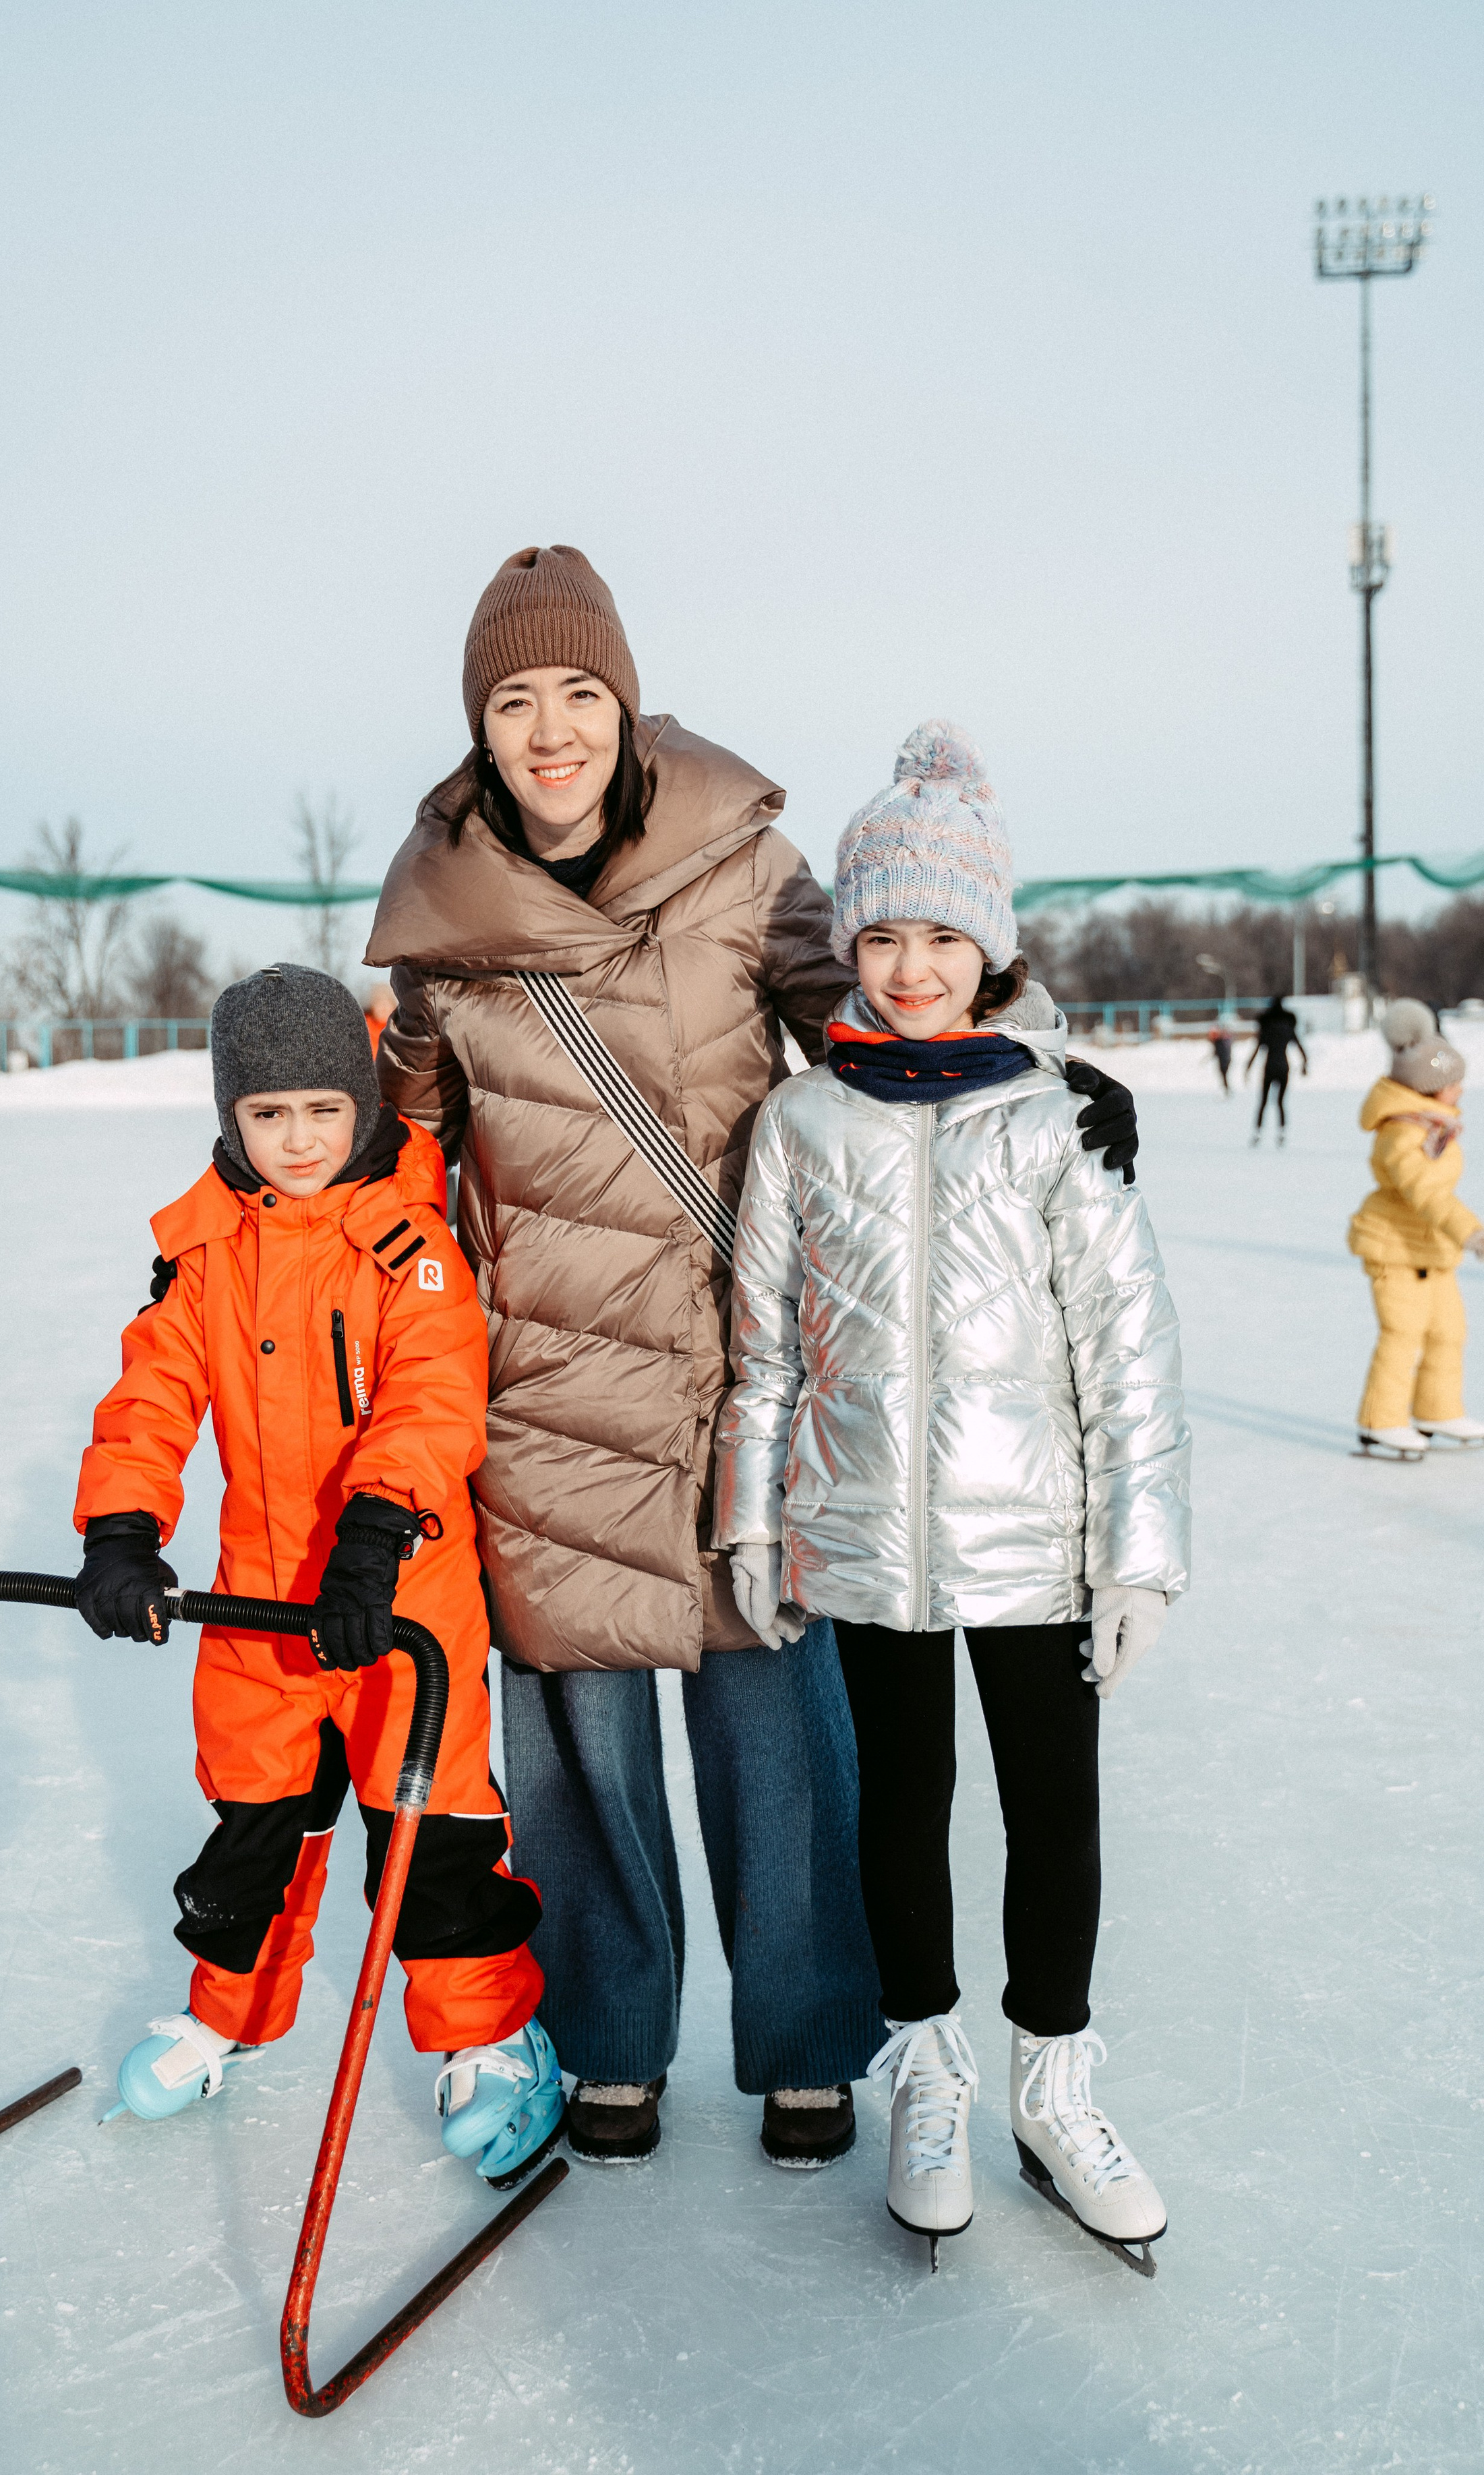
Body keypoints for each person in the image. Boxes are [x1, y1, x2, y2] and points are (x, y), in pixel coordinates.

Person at [366, 545, 1142, 2170]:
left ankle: (805, 2035)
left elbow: (896, 1011)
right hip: (546, 1382)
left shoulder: (740, 860)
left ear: (625, 701)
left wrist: (1049, 1069)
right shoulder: (441, 923)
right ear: (479, 727)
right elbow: (401, 1157)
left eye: (579, 691)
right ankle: (608, 2038)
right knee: (575, 1741)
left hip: (740, 1358)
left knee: (776, 1720)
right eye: (514, 701)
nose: (551, 728)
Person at [717, 721, 1190, 2271]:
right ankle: (924, 2067)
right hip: (863, 1544)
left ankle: (1054, 2083)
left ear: (987, 949)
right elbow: (760, 1353)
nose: (911, 964)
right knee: (897, 1814)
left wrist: (1134, 1557)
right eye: (884, 933)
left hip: (1036, 1548)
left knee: (1053, 1816)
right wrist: (746, 1522)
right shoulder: (797, 1126)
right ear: (849, 944)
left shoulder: (1052, 1120)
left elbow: (1127, 1353)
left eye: (942, 935)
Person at [72, 963, 562, 2184]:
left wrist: (375, 1533)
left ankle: (492, 2039)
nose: (297, 1140)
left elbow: (431, 1401)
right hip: (259, 1606)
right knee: (256, 1831)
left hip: (401, 1595)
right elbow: (151, 1395)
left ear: (360, 1107)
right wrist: (122, 1528)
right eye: (268, 1115)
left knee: (431, 1831)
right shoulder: (206, 1253)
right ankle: (226, 2019)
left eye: (322, 1112)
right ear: (233, 1120)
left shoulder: (413, 1248)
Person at [1348, 1001, 1484, 1460]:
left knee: (1449, 1332)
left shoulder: (1431, 1124)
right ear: (1429, 1087)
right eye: (1453, 1082)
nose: (1461, 1088)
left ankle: (1438, 1409)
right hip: (1395, 1249)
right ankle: (1380, 1421)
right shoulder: (1402, 1135)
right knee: (1402, 1333)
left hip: (1430, 1251)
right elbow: (1427, 1193)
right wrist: (1473, 1234)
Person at [1246, 996, 1307, 1145]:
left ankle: (1258, 1134)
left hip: (1269, 1067)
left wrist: (1248, 1067)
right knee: (1280, 1102)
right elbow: (1300, 1047)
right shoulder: (1287, 1029)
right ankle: (1282, 1134)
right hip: (1283, 1067)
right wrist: (1305, 1064)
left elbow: (1257, 1049)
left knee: (1263, 1101)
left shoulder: (1267, 1030)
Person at [1208, 1021, 1233, 1094]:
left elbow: (1220, 1052)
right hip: (1225, 1059)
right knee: (1223, 1075)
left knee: (1224, 1074)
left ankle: (1226, 1089)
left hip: (1224, 1060)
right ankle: (1226, 1088)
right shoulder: (1222, 1042)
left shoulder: (1220, 1042)